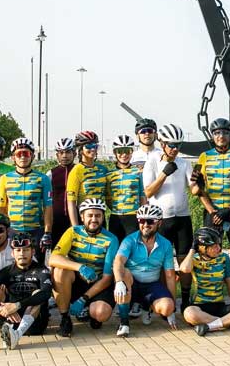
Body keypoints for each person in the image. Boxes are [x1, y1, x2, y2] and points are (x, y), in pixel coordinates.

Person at [49, 198, 118, 336]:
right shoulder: (73, 232)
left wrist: (83, 299)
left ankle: (92, 313)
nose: (94, 219)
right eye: (90, 215)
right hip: (76, 281)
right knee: (59, 271)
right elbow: (53, 258)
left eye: (98, 215)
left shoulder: (111, 239)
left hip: (98, 284)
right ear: (82, 217)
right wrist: (80, 267)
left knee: (101, 313)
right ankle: (65, 318)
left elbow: (107, 278)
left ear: (103, 217)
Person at [143, 124, 195, 309]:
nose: (175, 149)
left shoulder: (184, 163)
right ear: (162, 143)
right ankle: (162, 298)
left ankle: (186, 299)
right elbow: (148, 192)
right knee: (162, 262)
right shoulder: (153, 161)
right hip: (161, 219)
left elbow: (194, 190)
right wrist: (164, 174)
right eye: (171, 145)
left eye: (178, 145)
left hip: (182, 217)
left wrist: (199, 182)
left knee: (184, 261)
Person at [110, 205, 179, 337]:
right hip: (132, 284)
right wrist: (119, 282)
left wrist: (173, 310)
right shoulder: (129, 240)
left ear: (159, 222)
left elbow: (170, 275)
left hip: (152, 285)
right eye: (142, 221)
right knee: (124, 272)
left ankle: (146, 307)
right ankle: (124, 323)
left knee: (167, 307)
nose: (145, 225)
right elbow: (118, 261)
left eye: (150, 221)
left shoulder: (165, 244)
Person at [0, 234, 53, 350]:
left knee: (38, 292)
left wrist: (17, 306)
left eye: (26, 250)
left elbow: (46, 293)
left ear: (33, 251)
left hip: (35, 323)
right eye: (18, 250)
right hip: (11, 321)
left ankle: (17, 336)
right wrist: (1, 307)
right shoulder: (5, 272)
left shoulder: (41, 270)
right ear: (12, 253)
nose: (22, 253)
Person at [179, 227, 230, 336]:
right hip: (200, 306)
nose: (218, 248)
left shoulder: (224, 258)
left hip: (220, 305)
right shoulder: (194, 259)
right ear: (202, 248)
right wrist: (192, 249)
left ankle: (210, 326)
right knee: (189, 314)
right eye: (214, 246)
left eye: (219, 245)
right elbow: (184, 269)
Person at [193, 118, 230, 234]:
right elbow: (194, 187)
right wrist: (211, 211)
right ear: (212, 136)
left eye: (225, 132)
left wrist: (229, 209)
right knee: (211, 250)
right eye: (217, 133)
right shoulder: (203, 156)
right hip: (212, 211)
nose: (221, 136)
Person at [0, 138, 53, 254]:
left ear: (32, 156)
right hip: (12, 231)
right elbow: (0, 208)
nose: (22, 157)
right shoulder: (4, 179)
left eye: (26, 153)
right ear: (13, 158)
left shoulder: (43, 179)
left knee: (37, 268)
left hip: (36, 230)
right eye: (19, 154)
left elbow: (48, 207)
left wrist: (47, 233)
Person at [105, 135, 147, 241]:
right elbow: (108, 198)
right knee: (115, 250)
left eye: (127, 151)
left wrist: (143, 217)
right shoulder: (109, 174)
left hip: (133, 217)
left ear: (131, 152)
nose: (124, 154)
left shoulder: (138, 172)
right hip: (116, 217)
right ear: (115, 153)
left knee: (133, 251)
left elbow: (142, 196)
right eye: (120, 151)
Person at [66, 131, 110, 228]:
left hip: (100, 217)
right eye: (89, 146)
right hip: (84, 218)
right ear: (81, 150)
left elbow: (109, 197)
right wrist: (75, 227)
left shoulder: (103, 169)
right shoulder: (76, 171)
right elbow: (71, 202)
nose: (93, 149)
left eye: (95, 146)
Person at [48, 137, 76, 241]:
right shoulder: (51, 173)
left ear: (74, 153)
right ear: (57, 155)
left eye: (68, 152)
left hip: (76, 218)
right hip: (57, 218)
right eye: (61, 152)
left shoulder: (79, 170)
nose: (65, 155)